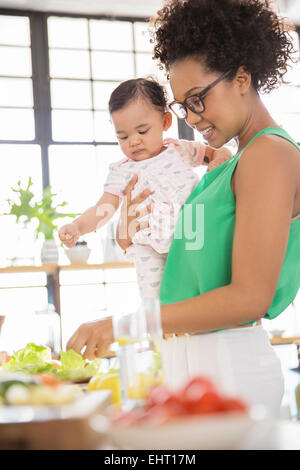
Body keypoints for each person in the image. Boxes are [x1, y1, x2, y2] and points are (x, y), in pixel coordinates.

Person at [67, 0, 300, 418]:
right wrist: (128, 234)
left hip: (228, 363)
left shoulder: (269, 154)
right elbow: (190, 264)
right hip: (189, 356)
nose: (192, 118)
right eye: (182, 106)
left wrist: (124, 324)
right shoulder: (228, 165)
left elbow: (248, 297)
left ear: (242, 78)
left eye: (198, 99)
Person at [59, 78, 232, 300]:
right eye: (123, 136)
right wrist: (77, 226)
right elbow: (103, 207)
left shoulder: (179, 149)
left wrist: (222, 157)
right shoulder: (122, 171)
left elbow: (216, 154)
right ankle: (160, 330)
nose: (133, 141)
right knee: (156, 302)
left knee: (201, 290)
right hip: (147, 245)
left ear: (165, 122)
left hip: (191, 234)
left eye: (142, 131)